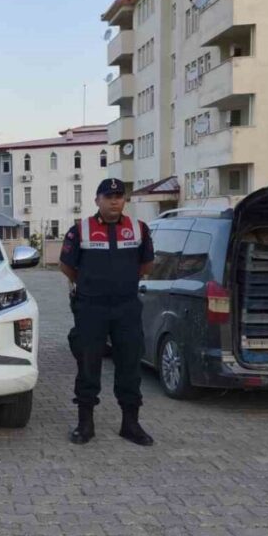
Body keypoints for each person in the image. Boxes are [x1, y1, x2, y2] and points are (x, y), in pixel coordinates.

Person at [59, 178, 155, 446]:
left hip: (126, 307)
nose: (114, 201)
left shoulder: (138, 229)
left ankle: (130, 424)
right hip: (91, 307)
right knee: (88, 364)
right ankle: (85, 424)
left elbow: (146, 265)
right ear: (97, 200)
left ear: (124, 200)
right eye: (108, 196)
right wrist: (92, 285)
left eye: (119, 196)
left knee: (130, 364)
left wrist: (122, 283)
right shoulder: (80, 230)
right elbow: (67, 267)